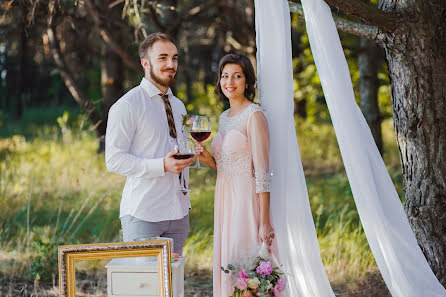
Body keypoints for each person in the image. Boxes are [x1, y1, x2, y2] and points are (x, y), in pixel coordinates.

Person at [105, 32, 194, 255]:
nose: (171, 64)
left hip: (179, 215)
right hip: (144, 214)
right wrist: (161, 166)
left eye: (174, 58)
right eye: (162, 58)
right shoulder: (128, 105)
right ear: (145, 63)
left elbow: (175, 151)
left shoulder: (179, 106)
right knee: (144, 287)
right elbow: (114, 160)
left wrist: (193, 152)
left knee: (172, 286)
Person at [195, 54, 276, 296]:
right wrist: (206, 158)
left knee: (245, 267)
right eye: (225, 76)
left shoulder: (254, 115)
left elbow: (262, 172)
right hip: (224, 200)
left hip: (245, 200)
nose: (230, 81)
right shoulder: (224, 118)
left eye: (237, 76)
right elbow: (226, 166)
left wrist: (264, 221)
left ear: (247, 82)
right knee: (229, 262)